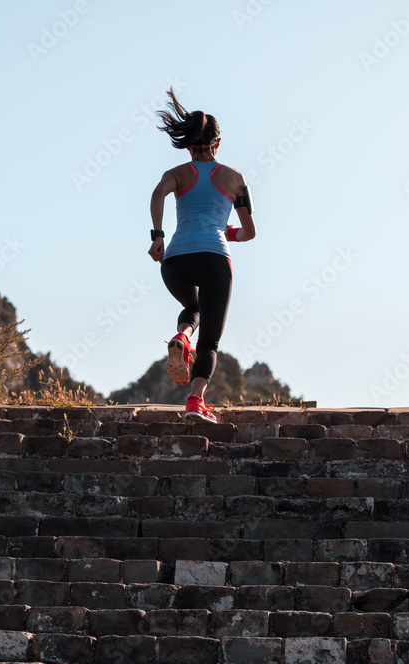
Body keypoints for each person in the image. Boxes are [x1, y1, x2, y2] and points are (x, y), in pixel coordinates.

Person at [148, 89, 256, 424]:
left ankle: (181, 336)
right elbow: (249, 231)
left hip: (176, 259)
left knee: (192, 309)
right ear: (217, 143)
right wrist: (227, 232)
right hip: (214, 259)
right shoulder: (235, 179)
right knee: (210, 340)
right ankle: (195, 402)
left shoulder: (177, 174)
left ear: (188, 145)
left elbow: (157, 194)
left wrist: (157, 237)